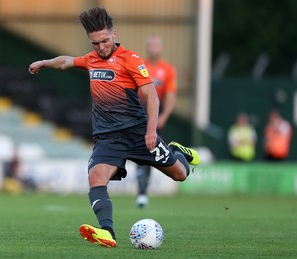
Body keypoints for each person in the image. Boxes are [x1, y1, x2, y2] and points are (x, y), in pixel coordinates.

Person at [28, 7, 200, 248]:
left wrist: (151, 130)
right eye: (95, 42)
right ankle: (107, 232)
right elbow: (67, 61)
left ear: (114, 34)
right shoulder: (91, 59)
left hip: (139, 134)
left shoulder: (131, 59)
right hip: (108, 138)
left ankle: (177, 152)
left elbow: (152, 95)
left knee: (181, 174)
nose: (101, 46)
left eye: (105, 40)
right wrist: (45, 62)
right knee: (95, 176)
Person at [136, 35, 178, 208]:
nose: (153, 49)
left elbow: (170, 96)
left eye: (156, 46)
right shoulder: (139, 66)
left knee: (152, 152)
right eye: (150, 46)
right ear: (147, 48)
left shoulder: (167, 70)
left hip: (156, 113)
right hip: (138, 112)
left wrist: (163, 116)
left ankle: (143, 192)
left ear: (160, 49)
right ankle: (142, 192)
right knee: (139, 153)